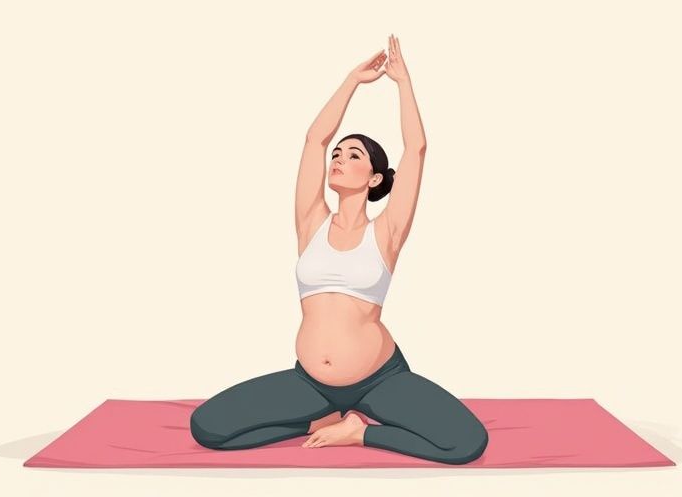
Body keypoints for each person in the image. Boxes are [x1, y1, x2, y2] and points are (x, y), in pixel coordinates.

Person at [189, 34, 488, 465]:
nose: (339, 159)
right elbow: (315, 140)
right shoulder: (311, 222)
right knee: (208, 427)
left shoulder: (387, 231)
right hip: (310, 384)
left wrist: (403, 83)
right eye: (338, 154)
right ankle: (319, 420)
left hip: (380, 380)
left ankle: (360, 432)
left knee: (466, 442)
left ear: (374, 178)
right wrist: (351, 81)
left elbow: (416, 149)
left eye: (353, 156)